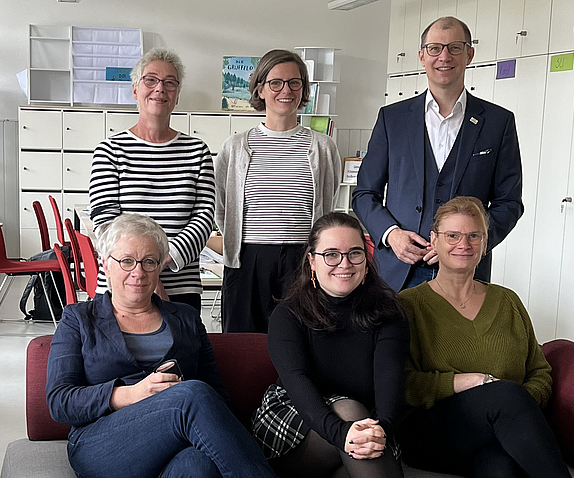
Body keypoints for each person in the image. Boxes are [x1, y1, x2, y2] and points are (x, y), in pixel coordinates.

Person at [46, 214, 275, 478]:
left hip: (173, 441)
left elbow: (218, 397)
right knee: (190, 395)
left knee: (198, 465)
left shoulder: (186, 317)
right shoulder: (78, 318)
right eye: (127, 261)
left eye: (149, 262)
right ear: (106, 264)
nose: (138, 273)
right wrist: (131, 394)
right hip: (101, 443)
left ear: (159, 267)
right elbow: (60, 401)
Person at [397, 197, 570, 477]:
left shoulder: (507, 300)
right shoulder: (408, 304)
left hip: (497, 432)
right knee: (505, 397)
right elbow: (401, 383)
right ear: (434, 241)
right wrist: (471, 382)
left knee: (500, 467)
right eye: (452, 235)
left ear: (485, 243)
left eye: (473, 236)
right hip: (432, 434)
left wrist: (517, 408)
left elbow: (540, 372)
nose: (463, 245)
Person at [352, 16, 523, 292]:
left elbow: (509, 202)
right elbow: (364, 194)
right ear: (422, 56)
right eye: (435, 48)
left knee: (460, 338)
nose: (444, 56)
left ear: (470, 54)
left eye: (455, 48)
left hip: (465, 275)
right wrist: (391, 235)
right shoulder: (391, 119)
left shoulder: (498, 122)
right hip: (397, 272)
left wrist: (467, 244)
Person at [252, 212, 407, 478]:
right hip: (294, 420)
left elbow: (389, 381)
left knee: (349, 468)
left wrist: (381, 432)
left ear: (366, 261)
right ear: (312, 261)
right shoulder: (288, 314)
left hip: (362, 427)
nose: (344, 264)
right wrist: (343, 434)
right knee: (350, 411)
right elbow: (298, 382)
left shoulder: (388, 313)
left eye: (355, 253)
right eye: (331, 254)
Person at [215, 49, 342, 333]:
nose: (286, 90)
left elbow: (327, 202)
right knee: (244, 344)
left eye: (294, 83)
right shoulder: (236, 146)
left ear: (303, 89)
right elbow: (221, 205)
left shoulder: (322, 147)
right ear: (260, 89)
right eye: (276, 83)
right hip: (247, 259)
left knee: (301, 341)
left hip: (302, 259)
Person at [89, 48, 214, 312]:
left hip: (181, 286)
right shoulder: (110, 151)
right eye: (151, 80)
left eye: (170, 83)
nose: (160, 88)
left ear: (177, 95)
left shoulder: (197, 151)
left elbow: (204, 219)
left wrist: (158, 265)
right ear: (135, 89)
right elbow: (104, 223)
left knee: (181, 352)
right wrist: (141, 270)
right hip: (122, 285)